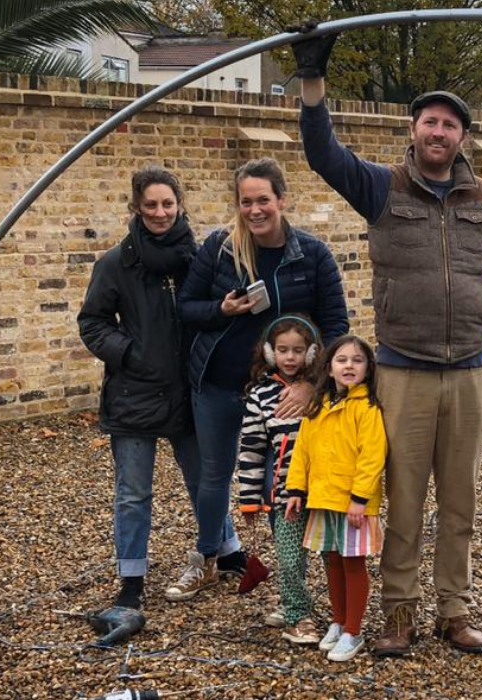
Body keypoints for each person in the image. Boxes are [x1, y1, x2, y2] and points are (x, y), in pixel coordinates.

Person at [289, 24, 482, 656]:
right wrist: (312, 85)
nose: (438, 132)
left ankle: (454, 612)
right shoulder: (381, 186)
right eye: (429, 122)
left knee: (459, 502)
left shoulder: (478, 198)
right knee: (402, 499)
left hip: (467, 373)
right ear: (413, 130)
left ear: (463, 137)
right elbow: (323, 154)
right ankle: (400, 615)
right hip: (404, 371)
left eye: (450, 125)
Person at [173, 157, 349, 602]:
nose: (255, 210)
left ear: (281, 200)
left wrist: (311, 384)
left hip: (280, 392)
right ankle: (206, 559)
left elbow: (335, 325)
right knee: (214, 475)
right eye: (246, 201)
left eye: (263, 200)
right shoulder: (219, 247)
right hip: (216, 382)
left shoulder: (311, 254)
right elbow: (187, 306)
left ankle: (290, 582)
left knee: (281, 483)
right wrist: (221, 310)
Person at [75, 166, 199, 643]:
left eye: (168, 203)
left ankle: (222, 552)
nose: (161, 213)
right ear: (136, 208)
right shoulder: (115, 263)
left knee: (204, 479)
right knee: (133, 493)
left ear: (180, 204)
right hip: (134, 391)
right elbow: (93, 322)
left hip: (189, 389)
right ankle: (131, 581)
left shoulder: (199, 257)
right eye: (151, 205)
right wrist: (129, 353)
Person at [281, 335, 387, 663]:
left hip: (353, 503)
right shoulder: (318, 407)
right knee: (333, 561)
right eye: (342, 360)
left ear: (368, 369)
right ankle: (338, 621)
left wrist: (360, 498)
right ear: (329, 368)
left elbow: (373, 456)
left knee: (353, 563)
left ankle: (354, 630)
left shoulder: (367, 408)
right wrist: (296, 490)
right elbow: (303, 452)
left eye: (357, 360)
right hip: (323, 499)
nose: (349, 366)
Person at [234, 314, 324, 644]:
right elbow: (252, 448)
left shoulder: (326, 390)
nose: (290, 357)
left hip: (328, 490)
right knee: (289, 557)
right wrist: (249, 497)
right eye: (283, 350)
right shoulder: (260, 395)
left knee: (334, 557)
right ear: (270, 352)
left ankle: (339, 617)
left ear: (312, 353)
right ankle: (298, 615)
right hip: (286, 493)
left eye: (298, 350)